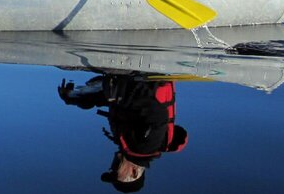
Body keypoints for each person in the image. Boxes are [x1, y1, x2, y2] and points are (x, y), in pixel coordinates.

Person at [58, 73, 189, 192]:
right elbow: (156, 113)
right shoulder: (145, 147)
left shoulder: (127, 144)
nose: (112, 167)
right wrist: (121, 92)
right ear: (134, 172)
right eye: (116, 172)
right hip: (148, 75)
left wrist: (79, 99)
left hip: (133, 76)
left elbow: (116, 100)